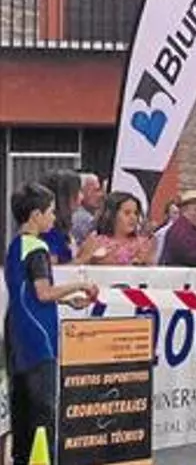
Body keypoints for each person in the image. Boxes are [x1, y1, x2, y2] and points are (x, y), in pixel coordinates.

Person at [5, 182, 98, 465]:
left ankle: (21, 459)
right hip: (39, 339)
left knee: (21, 407)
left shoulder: (15, 245)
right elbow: (43, 292)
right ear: (36, 215)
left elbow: (27, 295)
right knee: (43, 409)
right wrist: (80, 285)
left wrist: (67, 302)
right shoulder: (37, 248)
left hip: (16, 334)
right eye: (51, 212)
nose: (54, 218)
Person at [88, 192, 156, 266]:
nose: (133, 217)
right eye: (127, 213)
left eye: (136, 213)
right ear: (112, 215)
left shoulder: (143, 244)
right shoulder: (96, 243)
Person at [71, 172, 104, 245]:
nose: (100, 195)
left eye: (99, 190)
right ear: (81, 192)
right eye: (96, 190)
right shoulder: (85, 219)